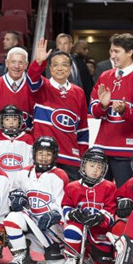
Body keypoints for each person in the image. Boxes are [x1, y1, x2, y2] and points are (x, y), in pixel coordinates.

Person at [90, 33, 133, 187]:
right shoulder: (105, 76)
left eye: (116, 51)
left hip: (128, 151)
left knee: (125, 200)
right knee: (99, 199)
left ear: (130, 52)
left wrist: (125, 110)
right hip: (102, 148)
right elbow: (93, 110)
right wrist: (103, 106)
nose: (112, 55)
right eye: (111, 51)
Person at [3, 136, 69, 264]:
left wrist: (54, 214)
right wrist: (16, 198)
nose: (43, 157)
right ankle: (21, 255)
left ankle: (53, 249)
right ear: (34, 154)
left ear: (54, 156)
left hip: (50, 229)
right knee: (12, 219)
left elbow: (63, 204)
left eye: (48, 154)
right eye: (40, 153)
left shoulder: (59, 175)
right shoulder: (23, 172)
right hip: (30, 223)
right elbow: (14, 191)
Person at [27, 39, 89, 181]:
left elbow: (83, 129)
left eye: (64, 65)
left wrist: (82, 156)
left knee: (70, 200)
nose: (60, 68)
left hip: (71, 158)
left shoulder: (78, 92)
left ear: (70, 68)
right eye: (55, 65)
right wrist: (38, 62)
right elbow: (31, 79)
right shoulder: (42, 86)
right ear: (50, 68)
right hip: (44, 157)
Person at [62, 148, 116, 264]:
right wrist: (72, 213)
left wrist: (100, 217)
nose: (95, 170)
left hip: (99, 231)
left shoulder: (109, 187)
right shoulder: (72, 186)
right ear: (83, 166)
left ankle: (86, 257)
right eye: (91, 165)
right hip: (80, 228)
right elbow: (66, 207)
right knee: (72, 229)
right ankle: (72, 257)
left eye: (99, 167)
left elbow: (111, 211)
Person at [0, 47, 35, 138]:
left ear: (26, 65)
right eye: (13, 62)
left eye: (20, 62)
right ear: (7, 63)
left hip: (25, 142)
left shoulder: (33, 87)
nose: (16, 66)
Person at [0, 105, 34, 175]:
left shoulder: (28, 139)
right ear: (1, 121)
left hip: (21, 182)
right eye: (7, 119)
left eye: (15, 119)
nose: (11, 122)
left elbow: (31, 162)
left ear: (20, 121)